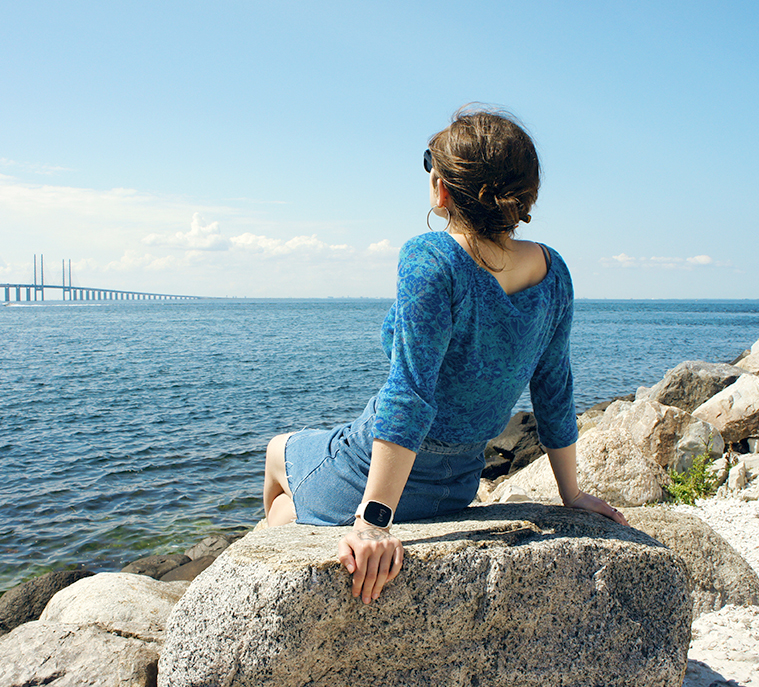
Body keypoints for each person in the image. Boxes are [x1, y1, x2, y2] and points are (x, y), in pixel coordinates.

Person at [262, 105, 627, 605]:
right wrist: (572, 495)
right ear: (524, 195)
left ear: (441, 191)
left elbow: (409, 393)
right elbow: (554, 386)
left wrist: (373, 521)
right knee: (289, 497)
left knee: (276, 452)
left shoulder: (432, 259)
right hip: (457, 483)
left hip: (375, 467)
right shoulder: (553, 271)